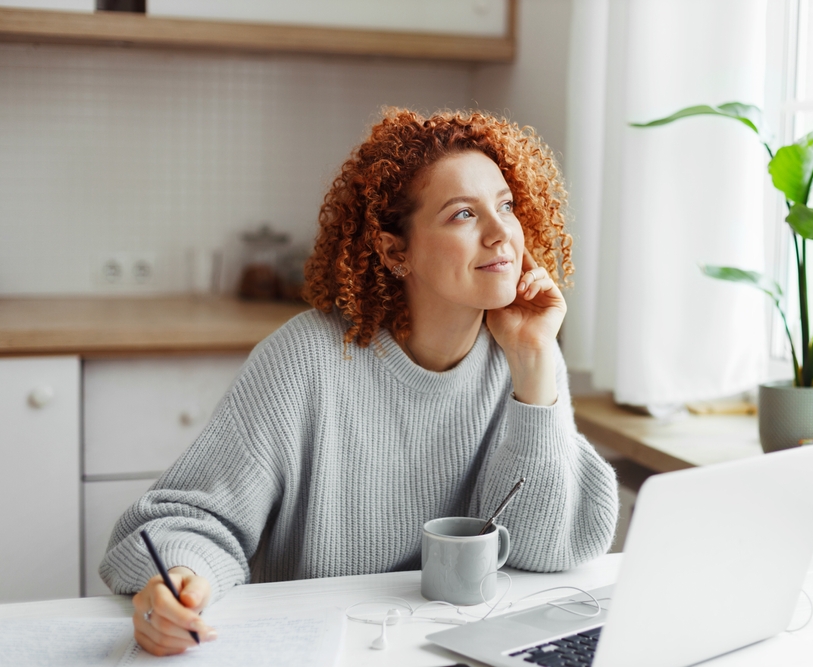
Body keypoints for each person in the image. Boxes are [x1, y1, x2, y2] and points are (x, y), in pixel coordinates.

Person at [100, 108, 619, 656]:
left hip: (458, 648)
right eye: (464, 214)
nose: (501, 234)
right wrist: (182, 578)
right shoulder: (305, 361)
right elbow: (184, 520)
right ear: (397, 251)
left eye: (506, 206)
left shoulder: (522, 352)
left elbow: (545, 549)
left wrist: (535, 362)